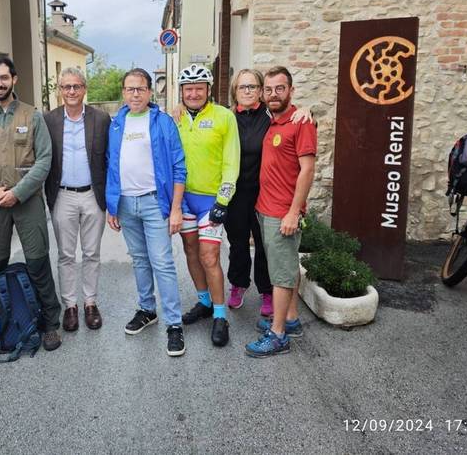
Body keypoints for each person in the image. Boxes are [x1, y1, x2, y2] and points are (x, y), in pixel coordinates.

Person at [0, 56, 63, 351]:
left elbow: (45, 160)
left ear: (14, 79)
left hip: (27, 200)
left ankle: (50, 323)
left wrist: (18, 192)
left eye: (4, 78)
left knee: (37, 262)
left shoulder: (32, 116)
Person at [106, 68, 187, 356]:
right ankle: (147, 310)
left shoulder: (163, 122)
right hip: (126, 203)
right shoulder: (116, 123)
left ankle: (174, 324)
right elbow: (111, 166)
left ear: (150, 92)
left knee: (162, 262)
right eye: (129, 89)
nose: (135, 94)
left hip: (155, 203)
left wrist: (176, 208)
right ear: (124, 93)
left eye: (140, 89)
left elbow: (179, 167)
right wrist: (111, 205)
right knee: (139, 260)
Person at [223, 70, 312, 315]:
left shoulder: (269, 115)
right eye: (243, 87)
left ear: (261, 90)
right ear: (235, 92)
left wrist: (306, 110)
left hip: (264, 193)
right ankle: (238, 284)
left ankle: (266, 291)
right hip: (236, 194)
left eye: (253, 86)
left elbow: (291, 116)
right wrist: (177, 107)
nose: (248, 91)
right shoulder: (228, 117)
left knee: (264, 246)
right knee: (237, 243)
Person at [246, 66, 317, 358]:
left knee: (281, 274)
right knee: (284, 266)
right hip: (265, 208)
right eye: (269, 89)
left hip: (282, 213)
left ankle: (278, 335)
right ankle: (290, 319)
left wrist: (293, 212)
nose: (274, 94)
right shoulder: (273, 120)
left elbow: (308, 169)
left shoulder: (301, 123)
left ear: (291, 91)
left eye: (280, 88)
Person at [175, 64, 240, 347]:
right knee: (190, 251)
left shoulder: (224, 117)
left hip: (211, 200)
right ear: (182, 92)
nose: (193, 93)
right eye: (188, 89)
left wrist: (223, 200)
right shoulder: (174, 117)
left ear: (208, 90)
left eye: (198, 88)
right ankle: (203, 302)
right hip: (184, 198)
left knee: (209, 257)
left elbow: (231, 162)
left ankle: (220, 314)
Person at [44, 68, 111, 332]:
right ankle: (70, 306)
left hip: (93, 195)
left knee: (92, 253)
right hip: (62, 195)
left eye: (76, 86)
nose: (71, 91)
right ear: (60, 90)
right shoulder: (48, 120)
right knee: (65, 255)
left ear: (84, 89)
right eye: (66, 87)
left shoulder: (101, 118)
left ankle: (90, 303)